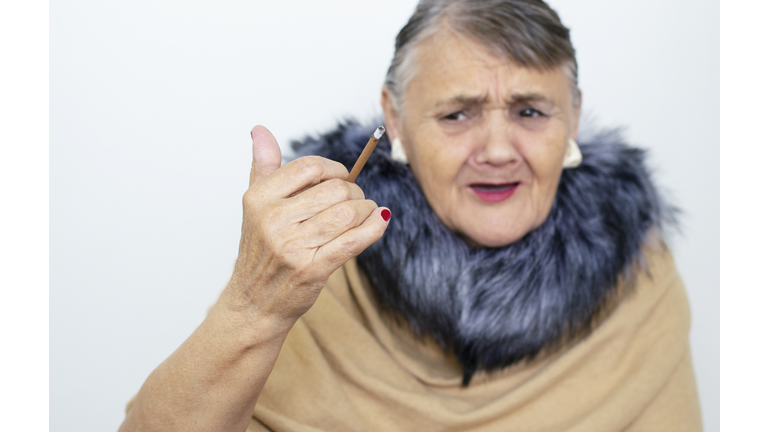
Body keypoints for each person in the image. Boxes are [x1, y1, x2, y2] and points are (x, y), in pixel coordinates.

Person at [119, 0, 703, 431]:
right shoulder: (311, 267)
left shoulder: (639, 276)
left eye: (530, 111)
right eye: (457, 115)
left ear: (572, 119)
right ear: (393, 120)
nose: (498, 150)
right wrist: (254, 306)